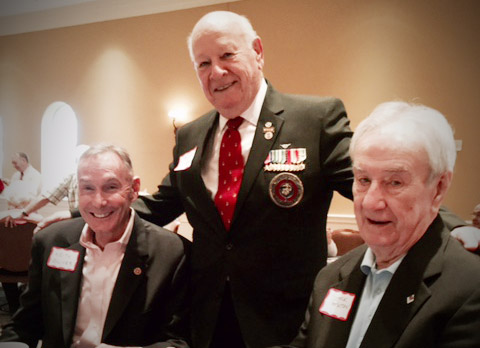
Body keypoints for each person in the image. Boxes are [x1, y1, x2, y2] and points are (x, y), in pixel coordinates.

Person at [133, 10, 354, 348]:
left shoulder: (314, 120)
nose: (216, 72)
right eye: (203, 64)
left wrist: (454, 227)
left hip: (287, 322)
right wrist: (80, 219)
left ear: (258, 52)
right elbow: (162, 203)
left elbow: (370, 184)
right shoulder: (190, 135)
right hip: (208, 318)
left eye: (227, 55)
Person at [274, 102, 480, 348]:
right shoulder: (332, 276)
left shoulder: (469, 291)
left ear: (439, 188)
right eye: (363, 179)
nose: (371, 202)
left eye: (394, 182)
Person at [0, 144, 191, 348]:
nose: (98, 202)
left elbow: (179, 341)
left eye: (111, 187)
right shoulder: (50, 243)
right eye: (88, 188)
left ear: (134, 190)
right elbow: (24, 325)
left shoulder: (172, 253)